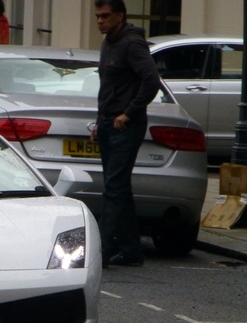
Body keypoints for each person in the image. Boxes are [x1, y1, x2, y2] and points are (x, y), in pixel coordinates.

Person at [90, 0, 160, 267]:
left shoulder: (132, 43)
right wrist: (99, 121)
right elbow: (107, 87)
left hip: (125, 126)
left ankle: (102, 252)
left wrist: (128, 113)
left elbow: (151, 80)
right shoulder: (108, 42)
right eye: (97, 16)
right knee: (118, 188)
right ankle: (131, 250)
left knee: (113, 188)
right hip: (108, 123)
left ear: (120, 16)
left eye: (105, 16)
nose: (100, 20)